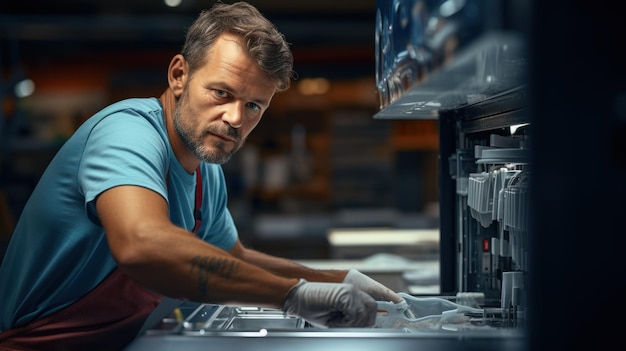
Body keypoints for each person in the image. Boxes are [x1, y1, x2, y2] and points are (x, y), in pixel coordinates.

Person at [0, 2, 403, 350]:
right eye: (222, 94)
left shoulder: (204, 170)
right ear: (179, 75)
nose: (234, 119)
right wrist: (291, 296)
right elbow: (142, 244)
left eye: (253, 107)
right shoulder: (127, 132)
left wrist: (338, 280)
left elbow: (233, 259)